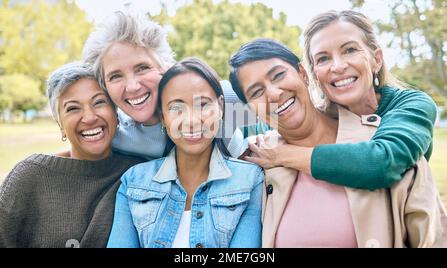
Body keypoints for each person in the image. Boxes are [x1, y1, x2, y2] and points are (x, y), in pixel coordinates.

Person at [228, 38, 447, 247]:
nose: (274, 93)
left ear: (303, 73)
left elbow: (433, 240)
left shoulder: (384, 140)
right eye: (257, 92)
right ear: (250, 109)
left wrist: (284, 154)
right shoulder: (256, 166)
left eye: (278, 75)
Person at [229, 10, 438, 191]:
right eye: (323, 58)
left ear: (376, 59)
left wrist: (283, 155)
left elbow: (382, 163)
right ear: (313, 74)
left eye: (350, 50)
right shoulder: (309, 115)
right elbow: (251, 128)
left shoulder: (411, 105)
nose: (337, 66)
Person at [107, 58, 263, 248]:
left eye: (203, 105)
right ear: (163, 117)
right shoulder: (133, 182)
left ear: (220, 107)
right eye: (176, 108)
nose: (191, 120)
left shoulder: (250, 179)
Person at [0, 62, 144, 247]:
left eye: (99, 102)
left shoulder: (137, 173)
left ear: (116, 114)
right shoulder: (29, 176)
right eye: (73, 108)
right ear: (60, 124)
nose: (90, 117)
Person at [82, 11, 241, 159]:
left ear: (166, 67)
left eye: (143, 68)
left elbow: (263, 111)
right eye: (115, 76)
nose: (132, 86)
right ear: (105, 86)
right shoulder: (116, 135)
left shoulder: (220, 95)